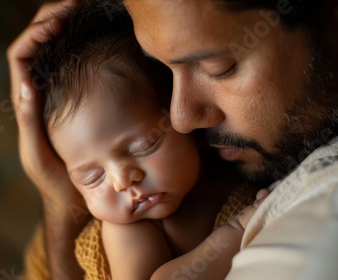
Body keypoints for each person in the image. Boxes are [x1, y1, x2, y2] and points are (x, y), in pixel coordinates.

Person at [7, 0, 338, 279]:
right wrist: (61, 203)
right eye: (165, 71)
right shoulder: (221, 158)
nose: (180, 118)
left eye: (216, 67)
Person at [29, 3, 269, 279]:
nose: (122, 182)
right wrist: (237, 233)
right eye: (92, 177)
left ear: (180, 116)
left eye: (144, 146)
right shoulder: (128, 228)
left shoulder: (234, 162)